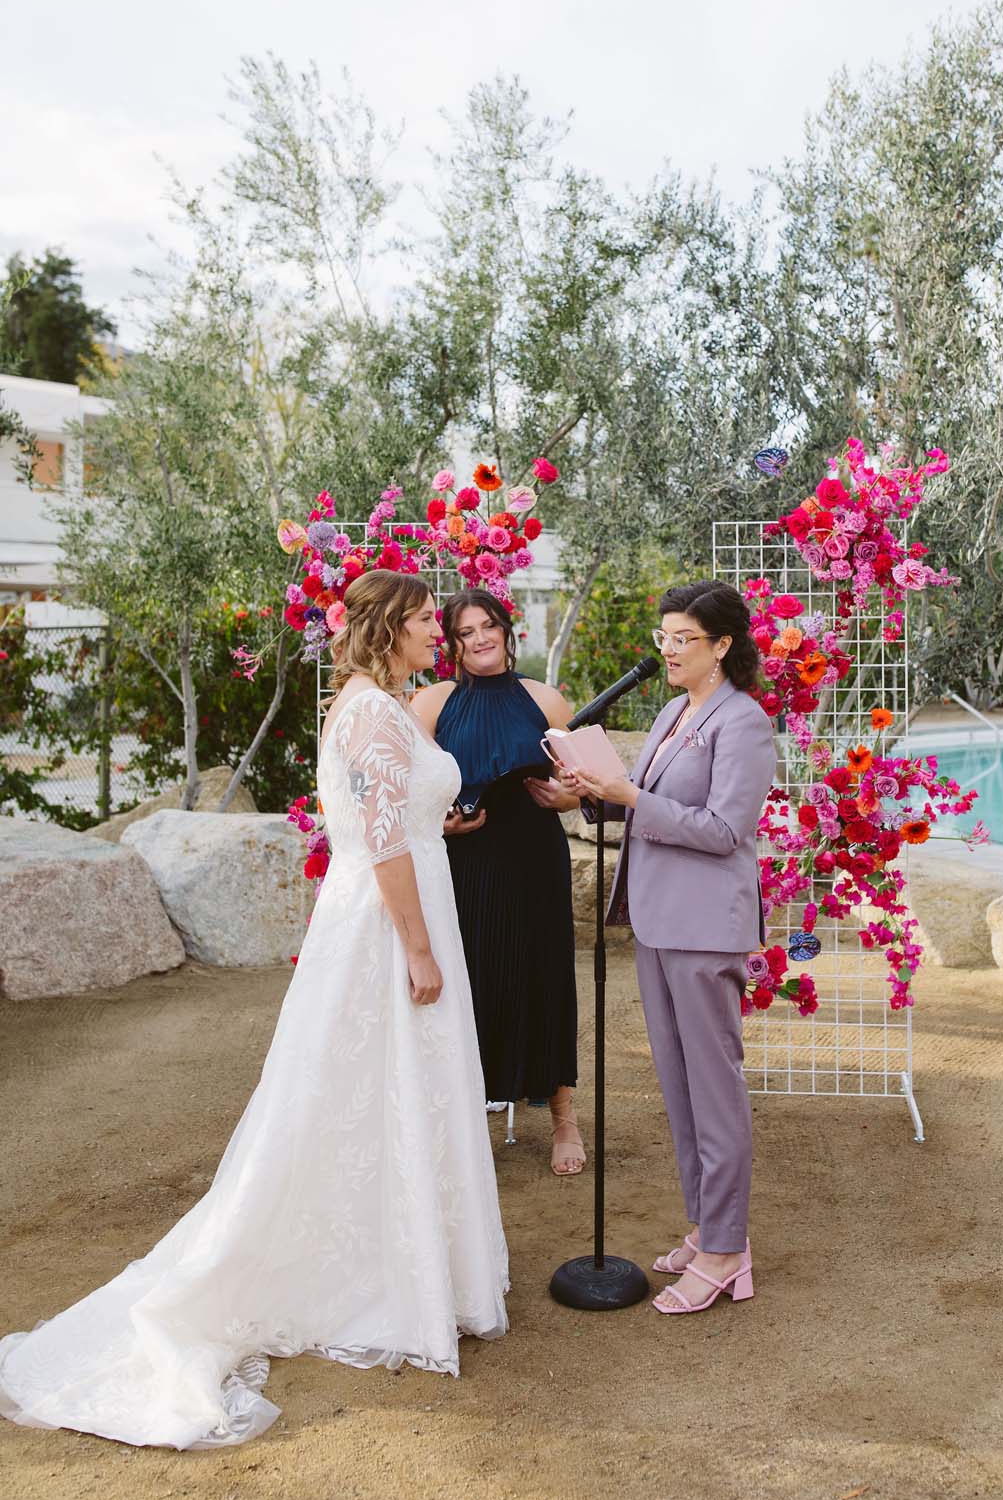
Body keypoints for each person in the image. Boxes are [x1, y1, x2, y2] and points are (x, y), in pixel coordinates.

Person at [0, 571, 508, 1449]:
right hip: (390, 924)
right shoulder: (376, 713)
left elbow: (387, 819)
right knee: (369, 1084)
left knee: (382, 1088)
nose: (443, 635)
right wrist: (419, 947)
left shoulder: (367, 704)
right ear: (391, 627)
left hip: (393, 900)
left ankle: (405, 1258)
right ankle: (384, 1276)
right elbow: (384, 839)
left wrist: (439, 828)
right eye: (429, 621)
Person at [560, 580, 776, 1316]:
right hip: (657, 921)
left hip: (705, 928)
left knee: (714, 1091)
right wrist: (591, 790)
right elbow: (645, 799)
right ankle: (707, 1226)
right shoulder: (672, 711)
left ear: (723, 646)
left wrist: (628, 798)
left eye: (684, 638)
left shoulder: (742, 723)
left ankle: (726, 1248)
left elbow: (723, 831)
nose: (669, 649)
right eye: (665, 636)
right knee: (680, 1089)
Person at [411, 589, 585, 1177]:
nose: (480, 638)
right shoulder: (431, 705)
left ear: (507, 631)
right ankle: (462, 1128)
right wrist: (446, 825)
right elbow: (406, 798)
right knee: (470, 984)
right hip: (463, 862)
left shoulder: (547, 700)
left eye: (489, 626)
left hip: (535, 858)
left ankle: (565, 1120)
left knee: (546, 978)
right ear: (452, 644)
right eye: (465, 632)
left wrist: (569, 794)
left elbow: (588, 782)